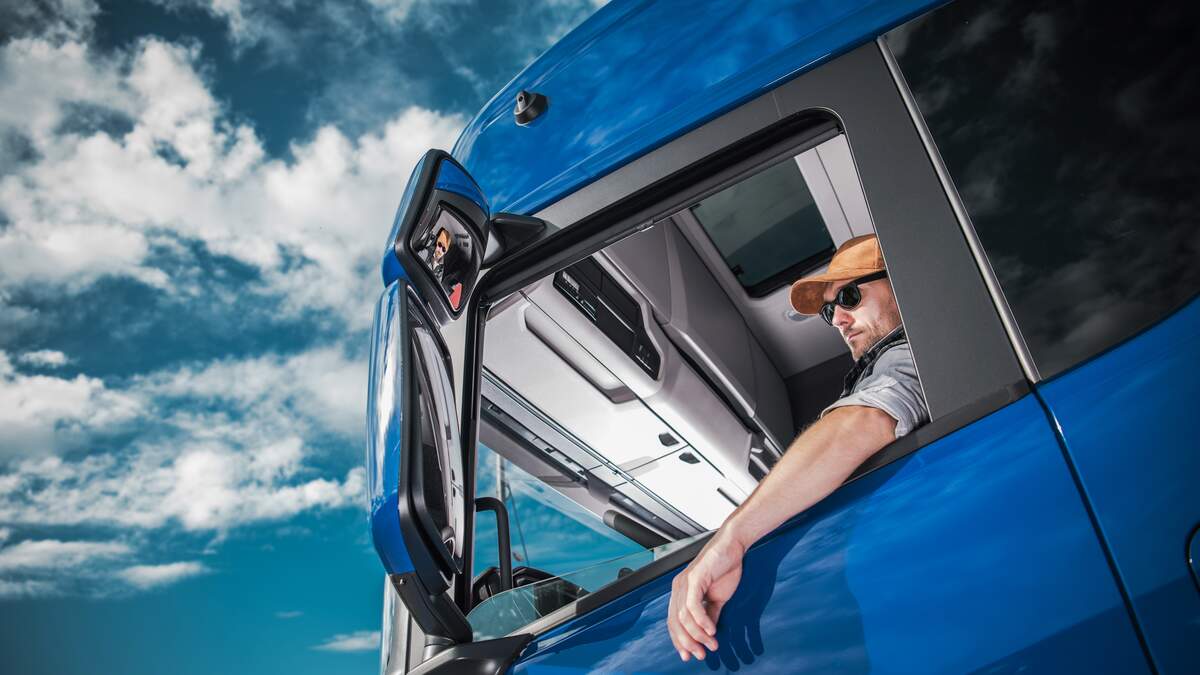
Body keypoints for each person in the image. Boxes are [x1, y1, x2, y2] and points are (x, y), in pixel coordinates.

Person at [666, 233, 929, 662]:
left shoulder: (910, 350)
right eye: (829, 310)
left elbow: (865, 421)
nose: (838, 319)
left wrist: (732, 539)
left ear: (900, 282)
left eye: (849, 296)